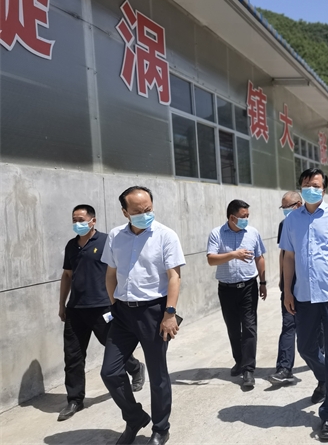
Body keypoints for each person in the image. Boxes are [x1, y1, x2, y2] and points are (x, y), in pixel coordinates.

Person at [101, 186, 186, 445]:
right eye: (138, 211)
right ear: (125, 212)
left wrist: (169, 313)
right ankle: (135, 417)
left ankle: (160, 428)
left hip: (154, 312)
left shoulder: (165, 235)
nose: (145, 214)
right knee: (110, 372)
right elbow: (110, 274)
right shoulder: (115, 236)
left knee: (158, 375)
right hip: (123, 312)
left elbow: (174, 277)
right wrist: (114, 304)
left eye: (148, 209)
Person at [280, 168, 328, 441]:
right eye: (306, 184)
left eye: (315, 185)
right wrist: (287, 291)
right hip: (304, 296)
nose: (310, 188)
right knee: (305, 347)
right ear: (300, 187)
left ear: (324, 189)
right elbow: (288, 257)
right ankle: (326, 379)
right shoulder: (292, 220)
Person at [58, 205, 144, 422]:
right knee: (73, 356)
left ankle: (135, 367)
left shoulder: (106, 241)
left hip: (103, 307)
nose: (77, 223)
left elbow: (118, 271)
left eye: (81, 219)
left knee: (114, 348)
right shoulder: (71, 246)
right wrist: (62, 304)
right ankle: (75, 399)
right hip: (76, 309)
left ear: (93, 221)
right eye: (74, 219)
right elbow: (67, 275)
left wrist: (118, 302)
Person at [207, 199, 267, 389]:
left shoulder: (253, 233)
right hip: (226, 289)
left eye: (248, 216)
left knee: (249, 327)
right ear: (232, 217)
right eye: (243, 216)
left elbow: (260, 257)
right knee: (233, 328)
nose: (246, 219)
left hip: (248, 287)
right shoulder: (217, 234)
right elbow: (211, 259)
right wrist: (234, 254)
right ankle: (239, 361)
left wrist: (263, 282)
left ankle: (248, 369)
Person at [268, 191, 302, 385]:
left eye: (287, 207)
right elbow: (284, 253)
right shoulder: (284, 225)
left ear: (298, 205)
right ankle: (284, 368)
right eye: (283, 208)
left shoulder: (315, 222)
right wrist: (283, 281)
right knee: (288, 324)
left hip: (312, 283)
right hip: (292, 281)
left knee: (318, 328)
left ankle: (323, 364)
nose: (285, 211)